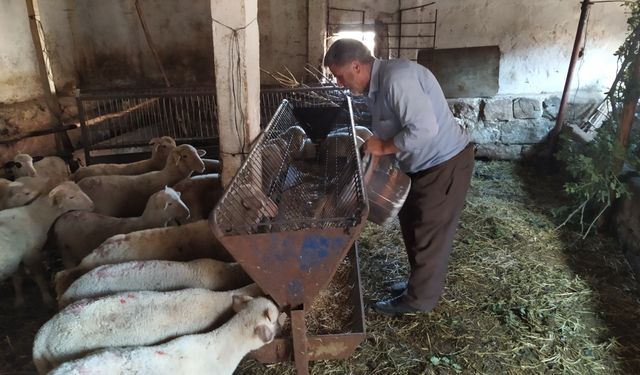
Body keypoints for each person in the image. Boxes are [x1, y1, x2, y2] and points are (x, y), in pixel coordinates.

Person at [323, 39, 475, 316]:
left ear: (356, 66)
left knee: (428, 234)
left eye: (340, 76)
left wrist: (381, 147)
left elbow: (424, 130)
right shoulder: (376, 87)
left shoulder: (397, 79)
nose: (339, 84)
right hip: (420, 166)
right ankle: (415, 287)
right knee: (412, 225)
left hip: (443, 165)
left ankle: (418, 301)